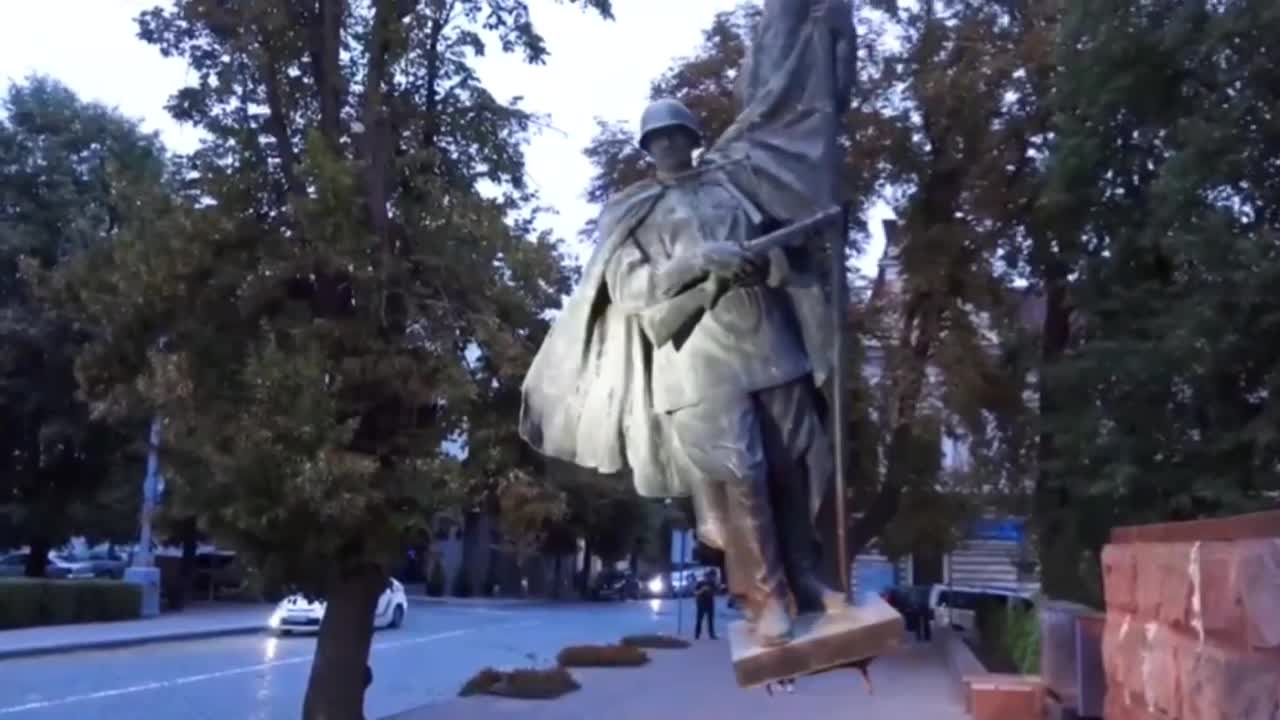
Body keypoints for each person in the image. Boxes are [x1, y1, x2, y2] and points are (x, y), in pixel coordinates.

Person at [519, 0, 857, 647]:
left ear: (692, 138)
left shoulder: (732, 186)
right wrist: (700, 262)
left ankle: (808, 577)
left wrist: (792, 257)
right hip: (696, 359)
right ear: (647, 149)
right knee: (742, 475)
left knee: (799, 459)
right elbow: (627, 286)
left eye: (678, 134)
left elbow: (772, 243)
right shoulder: (633, 210)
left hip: (766, 337)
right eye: (659, 138)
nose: (670, 144)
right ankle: (768, 600)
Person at [694, 570, 718, 639]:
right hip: (701, 603)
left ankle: (712, 634)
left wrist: (714, 587)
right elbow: (695, 593)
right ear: (705, 577)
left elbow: (716, 592)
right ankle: (697, 634)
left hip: (710, 603)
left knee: (710, 619)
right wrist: (702, 590)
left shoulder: (712, 583)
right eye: (707, 577)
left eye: (710, 577)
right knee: (699, 619)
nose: (708, 578)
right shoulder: (700, 583)